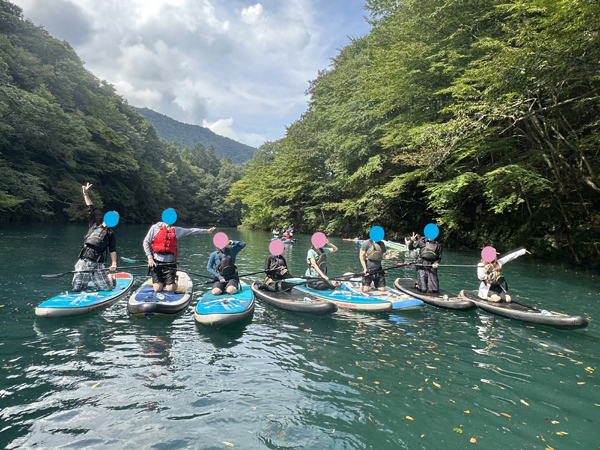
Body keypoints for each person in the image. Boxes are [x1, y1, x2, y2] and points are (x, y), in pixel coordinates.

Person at [143, 220, 215, 293]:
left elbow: (191, 231)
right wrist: (150, 258)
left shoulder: (177, 230)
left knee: (170, 289)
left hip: (169, 263)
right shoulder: (155, 228)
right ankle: (162, 281)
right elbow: (146, 242)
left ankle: (174, 280)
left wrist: (206, 231)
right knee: (157, 289)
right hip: (156, 262)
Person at [72, 183, 118, 292]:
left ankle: (111, 278)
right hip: (84, 258)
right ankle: (85, 280)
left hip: (98, 261)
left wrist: (114, 263)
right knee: (77, 288)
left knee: (106, 289)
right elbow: (90, 207)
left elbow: (112, 249)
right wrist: (85, 193)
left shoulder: (110, 234)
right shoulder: (94, 225)